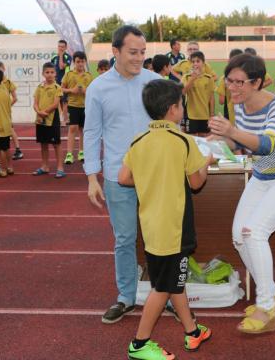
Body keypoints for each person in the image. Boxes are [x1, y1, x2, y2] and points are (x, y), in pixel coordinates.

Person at [209, 53, 275, 334]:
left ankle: (266, 307)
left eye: (239, 82)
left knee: (253, 232)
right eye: (229, 81)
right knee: (238, 236)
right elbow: (237, 139)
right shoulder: (239, 103)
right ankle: (271, 293)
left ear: (257, 82)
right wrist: (215, 138)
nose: (232, 87)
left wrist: (231, 130)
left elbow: (266, 144)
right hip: (263, 176)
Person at [119, 79, 213, 360]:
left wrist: (150, 178)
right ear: (173, 109)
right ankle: (139, 344)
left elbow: (124, 178)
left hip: (151, 226)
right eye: (181, 104)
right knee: (163, 287)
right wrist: (206, 164)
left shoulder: (138, 140)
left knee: (174, 280)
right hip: (174, 228)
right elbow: (196, 183)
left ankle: (192, 331)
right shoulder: (183, 141)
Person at [83, 25, 161, 324]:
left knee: (159, 239)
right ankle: (126, 298)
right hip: (119, 177)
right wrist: (92, 177)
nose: (139, 58)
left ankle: (162, 294)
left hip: (156, 177)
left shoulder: (156, 83)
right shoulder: (98, 88)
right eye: (132, 52)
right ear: (115, 51)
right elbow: (91, 133)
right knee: (125, 238)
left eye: (143, 52)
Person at [32, 62, 64, 178]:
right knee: (43, 143)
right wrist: (39, 112)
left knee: (56, 144)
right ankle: (45, 166)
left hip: (52, 119)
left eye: (52, 72)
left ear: (55, 74)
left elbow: (56, 104)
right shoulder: (39, 87)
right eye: (47, 72)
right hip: (40, 119)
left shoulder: (57, 87)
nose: (49, 75)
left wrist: (44, 112)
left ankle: (60, 168)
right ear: (43, 74)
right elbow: (35, 103)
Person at [61, 51, 93, 165]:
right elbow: (62, 89)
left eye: (82, 61)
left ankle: (81, 152)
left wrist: (86, 91)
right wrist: (71, 90)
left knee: (83, 130)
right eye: (78, 61)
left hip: (85, 106)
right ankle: (69, 154)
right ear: (74, 62)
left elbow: (93, 92)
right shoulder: (69, 74)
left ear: (85, 62)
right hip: (72, 106)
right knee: (72, 128)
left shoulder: (89, 75)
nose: (80, 64)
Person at [0, 61, 23, 161]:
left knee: (10, 129)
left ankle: (18, 150)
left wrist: (6, 107)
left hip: (5, 113)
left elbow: (15, 98)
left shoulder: (8, 82)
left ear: (4, 69)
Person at [181, 51, 215, 135]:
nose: (195, 63)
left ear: (203, 63)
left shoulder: (208, 78)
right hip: (191, 115)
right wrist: (193, 78)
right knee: (192, 139)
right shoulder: (186, 77)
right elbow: (183, 92)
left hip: (205, 115)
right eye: (193, 61)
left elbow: (211, 97)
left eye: (198, 61)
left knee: (205, 138)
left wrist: (212, 114)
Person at [217, 48, 243, 125]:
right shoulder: (248, 76)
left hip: (230, 112)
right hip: (247, 112)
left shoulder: (224, 78)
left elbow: (221, 101)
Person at [51, 39, 73, 126]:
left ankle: (64, 120)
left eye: (62, 47)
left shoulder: (68, 57)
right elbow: (52, 70)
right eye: (59, 46)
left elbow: (61, 67)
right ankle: (61, 119)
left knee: (64, 102)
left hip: (64, 82)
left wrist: (60, 55)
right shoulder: (53, 57)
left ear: (66, 47)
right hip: (55, 82)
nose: (60, 48)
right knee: (57, 101)